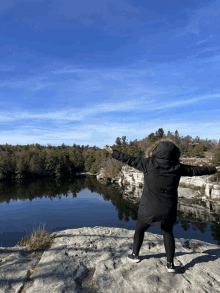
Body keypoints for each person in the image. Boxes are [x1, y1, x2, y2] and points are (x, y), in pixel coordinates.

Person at [103, 139, 220, 273]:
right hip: (167, 210)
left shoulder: (147, 163)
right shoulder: (177, 167)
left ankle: (135, 255)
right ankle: (170, 265)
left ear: (156, 151)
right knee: (168, 233)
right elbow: (196, 170)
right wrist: (214, 169)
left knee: (140, 230)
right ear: (175, 154)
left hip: (148, 209)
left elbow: (129, 159)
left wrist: (113, 152)